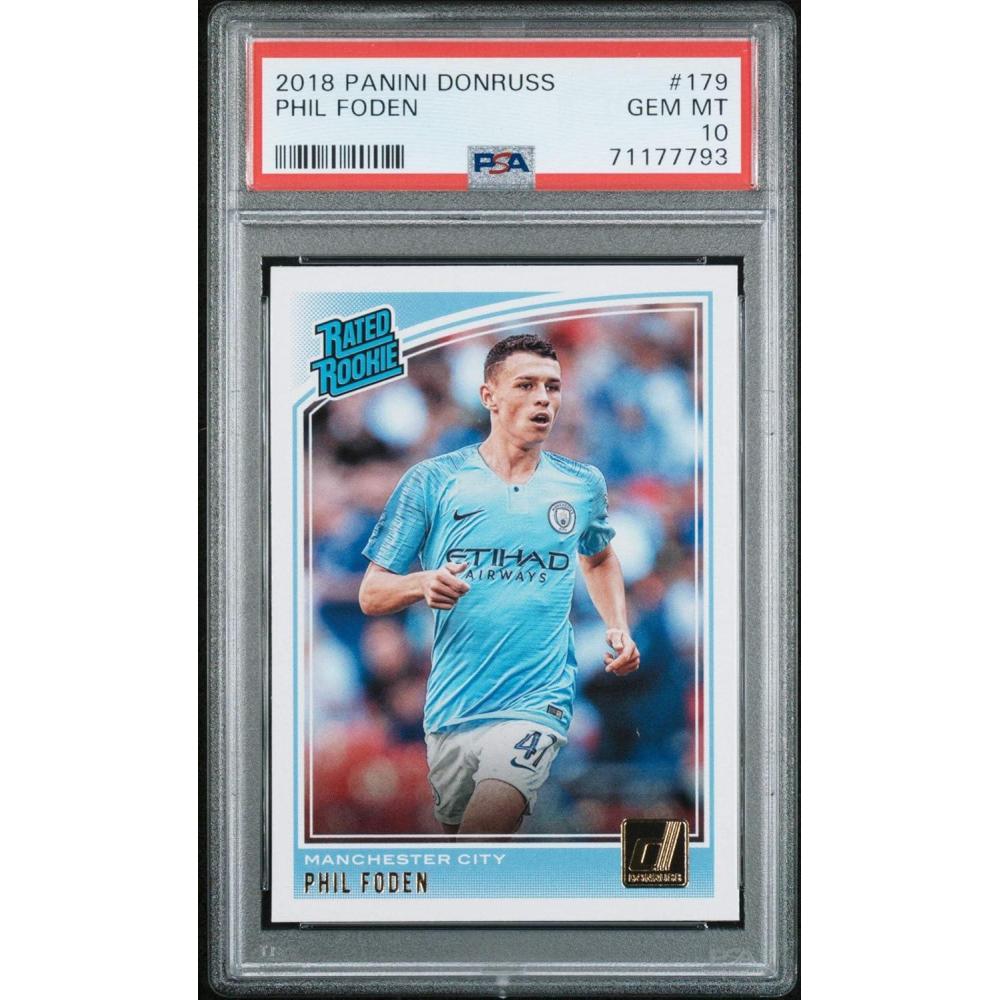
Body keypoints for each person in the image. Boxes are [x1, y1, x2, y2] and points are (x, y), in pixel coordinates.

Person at [358, 334, 640, 834]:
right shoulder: (432, 481)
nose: (543, 399)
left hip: (537, 698)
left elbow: (598, 558)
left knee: (485, 825)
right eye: (526, 385)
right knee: (467, 850)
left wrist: (617, 625)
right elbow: (371, 593)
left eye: (552, 387)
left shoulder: (581, 484)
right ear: (488, 395)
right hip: (454, 704)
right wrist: (422, 583)